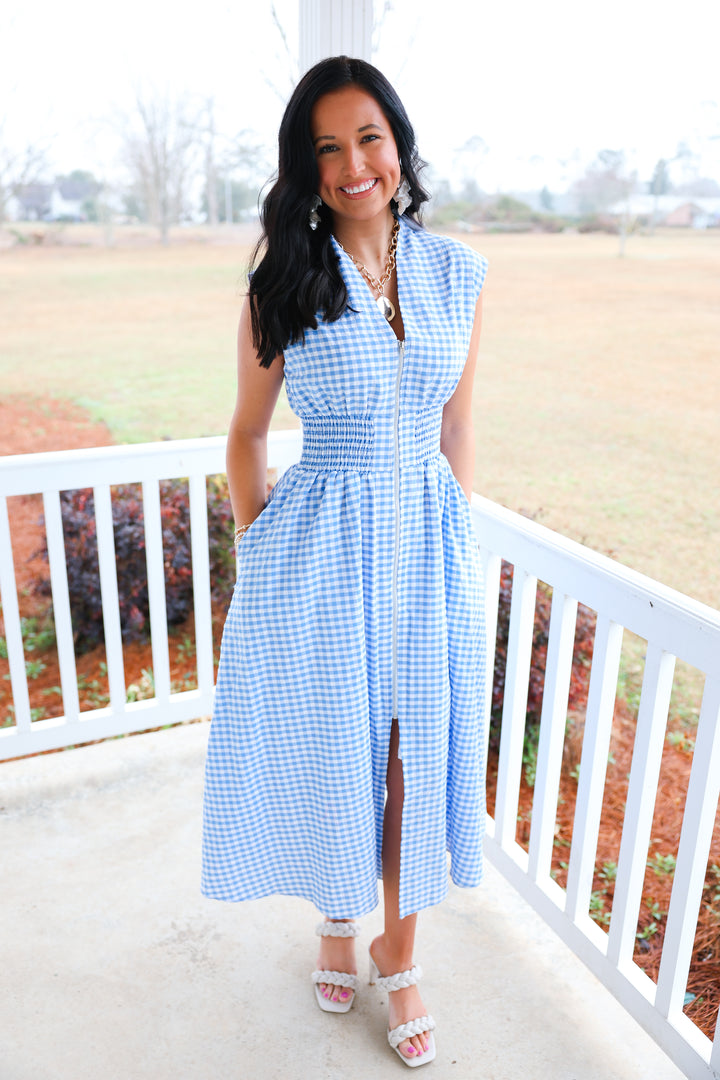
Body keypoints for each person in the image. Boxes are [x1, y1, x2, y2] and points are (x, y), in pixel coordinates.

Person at [202, 55, 487, 1068]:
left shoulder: (457, 271)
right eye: (327, 147)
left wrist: (456, 524)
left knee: (417, 756)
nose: (353, 163)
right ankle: (333, 916)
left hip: (428, 544)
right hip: (320, 553)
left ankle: (397, 953)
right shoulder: (284, 283)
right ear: (306, 167)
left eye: (367, 136)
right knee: (339, 747)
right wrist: (261, 547)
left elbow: (457, 426)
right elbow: (245, 436)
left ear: (398, 142)